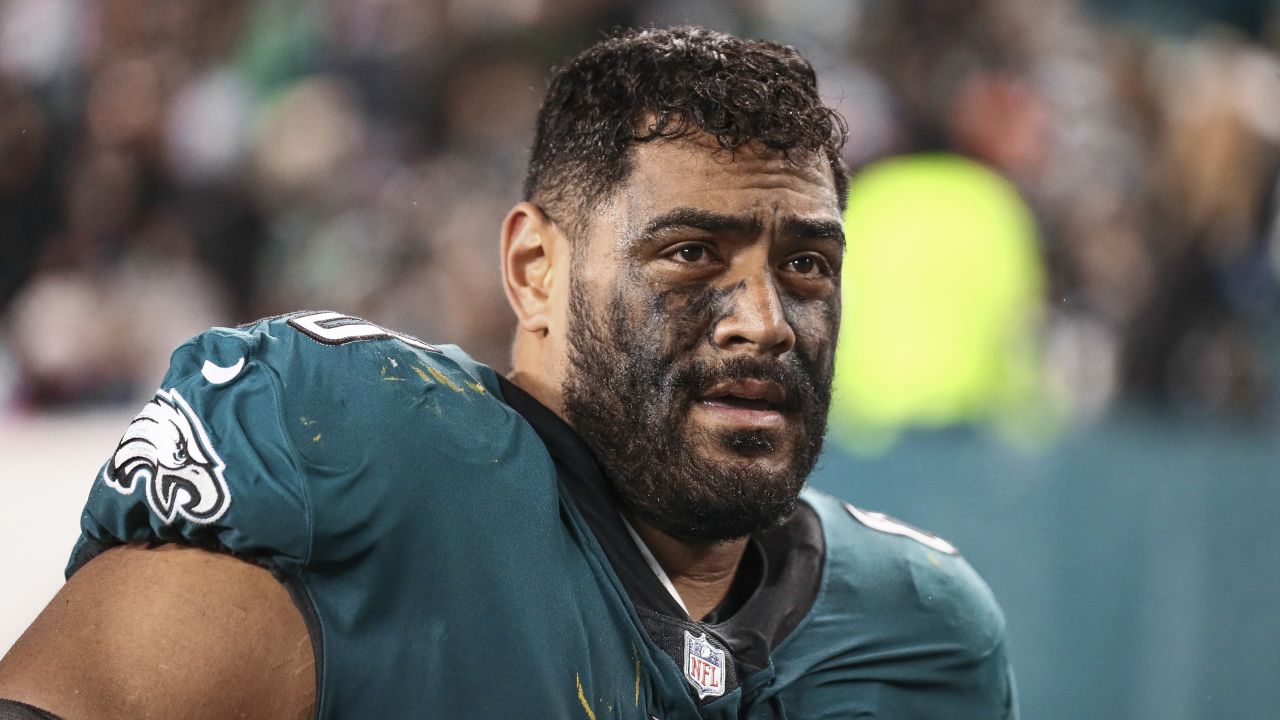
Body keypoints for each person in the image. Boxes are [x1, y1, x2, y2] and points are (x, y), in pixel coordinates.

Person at [0, 27, 1017, 719]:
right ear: (537, 270)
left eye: (804, 265)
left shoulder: (918, 635)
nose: (764, 323)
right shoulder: (365, 469)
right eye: (690, 255)